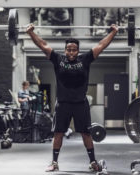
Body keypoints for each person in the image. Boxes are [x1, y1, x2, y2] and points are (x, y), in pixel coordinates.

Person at [26, 23, 118, 172]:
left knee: (86, 133)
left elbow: (101, 45)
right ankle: (54, 162)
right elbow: (43, 45)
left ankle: (93, 162)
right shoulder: (58, 59)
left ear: (78, 50)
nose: (71, 52)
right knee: (58, 133)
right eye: (68, 49)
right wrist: (31, 33)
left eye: (74, 50)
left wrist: (113, 32)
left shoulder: (85, 59)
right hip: (62, 104)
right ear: (65, 50)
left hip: (80, 104)